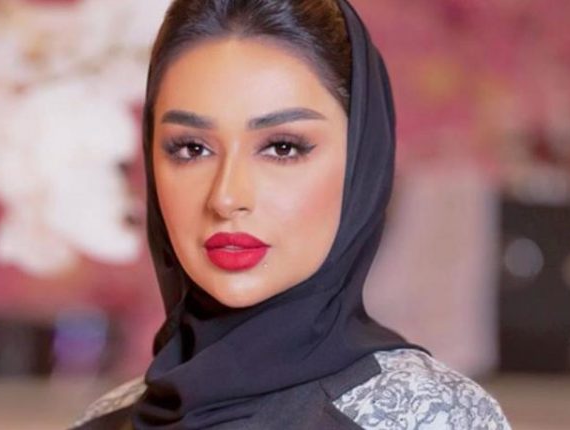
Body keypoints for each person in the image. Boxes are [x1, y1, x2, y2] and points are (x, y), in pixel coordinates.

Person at [71, 0, 512, 428]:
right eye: (192, 148)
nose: (226, 197)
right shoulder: (107, 419)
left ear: (362, 162)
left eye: (282, 148)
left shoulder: (432, 417)